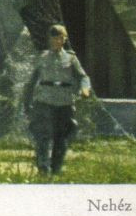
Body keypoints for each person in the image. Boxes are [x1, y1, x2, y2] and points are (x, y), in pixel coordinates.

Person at [24, 24, 91, 176]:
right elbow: (31, 82)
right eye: (54, 38)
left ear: (64, 40)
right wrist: (27, 103)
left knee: (61, 138)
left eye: (60, 38)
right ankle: (43, 170)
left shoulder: (71, 59)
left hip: (64, 102)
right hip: (44, 102)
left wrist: (85, 88)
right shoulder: (42, 58)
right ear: (49, 39)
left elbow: (83, 77)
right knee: (43, 137)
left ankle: (56, 170)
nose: (57, 41)